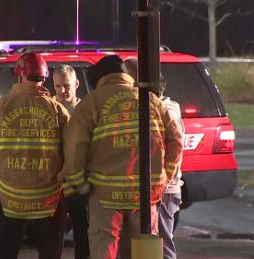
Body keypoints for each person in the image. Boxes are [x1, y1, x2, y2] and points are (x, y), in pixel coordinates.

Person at [59, 55, 183, 259]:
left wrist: (79, 184)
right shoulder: (151, 100)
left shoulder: (91, 103)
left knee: (105, 250)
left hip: (105, 197)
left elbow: (74, 149)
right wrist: (164, 177)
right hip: (144, 196)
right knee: (143, 253)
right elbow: (175, 141)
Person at [0, 52, 70, 259]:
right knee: (49, 253)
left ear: (19, 75)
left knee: (6, 251)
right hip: (48, 201)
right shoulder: (57, 110)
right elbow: (71, 153)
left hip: (11, 200)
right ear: (44, 78)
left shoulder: (1, 107)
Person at [123, 58, 184, 259]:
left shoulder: (166, 112)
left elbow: (174, 146)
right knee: (154, 240)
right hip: (157, 188)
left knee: (163, 242)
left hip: (164, 190)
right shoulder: (156, 109)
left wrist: (164, 178)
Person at [52, 64, 89, 259]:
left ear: (76, 84)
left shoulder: (86, 110)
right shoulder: (49, 108)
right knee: (52, 236)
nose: (62, 91)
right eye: (57, 86)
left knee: (82, 234)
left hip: (77, 182)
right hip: (53, 182)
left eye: (66, 85)